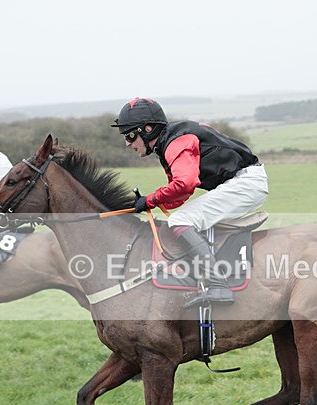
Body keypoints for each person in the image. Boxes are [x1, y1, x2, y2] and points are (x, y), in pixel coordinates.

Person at [111, 97, 268, 307]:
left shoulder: (176, 142)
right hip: (242, 182)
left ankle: (217, 285)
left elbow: (185, 183)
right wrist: (149, 203)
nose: (128, 143)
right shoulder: (169, 141)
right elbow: (181, 194)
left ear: (148, 129)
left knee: (181, 220)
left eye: (130, 135)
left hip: (246, 183)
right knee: (181, 217)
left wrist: (151, 198)